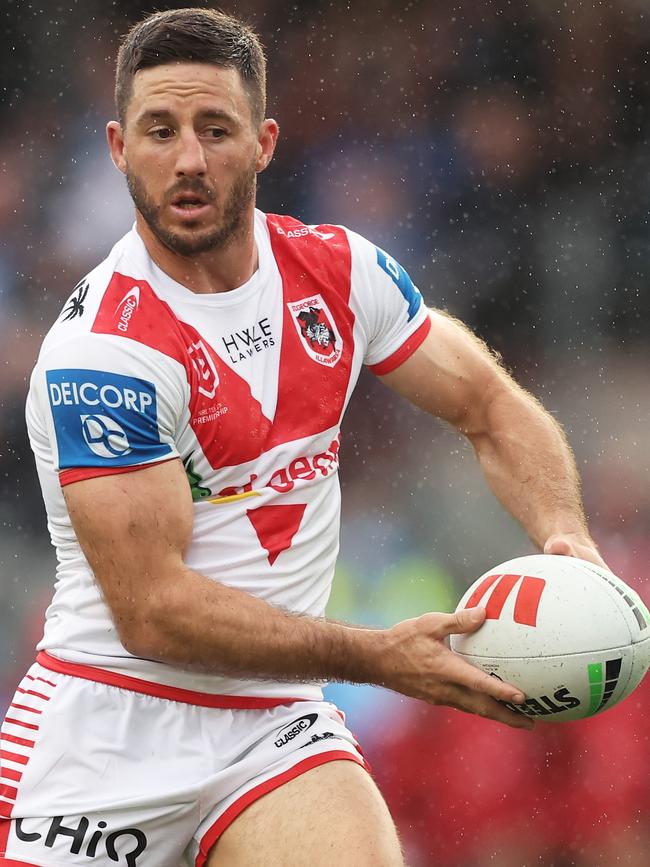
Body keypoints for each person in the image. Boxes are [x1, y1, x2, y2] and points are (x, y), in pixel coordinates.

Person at [0, 8, 606, 867]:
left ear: (265, 142)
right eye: (159, 130)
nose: (188, 159)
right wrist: (377, 655)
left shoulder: (339, 271)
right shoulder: (106, 349)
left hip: (272, 723)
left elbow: (491, 405)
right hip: (107, 732)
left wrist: (564, 531)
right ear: (117, 147)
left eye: (216, 129)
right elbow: (153, 610)